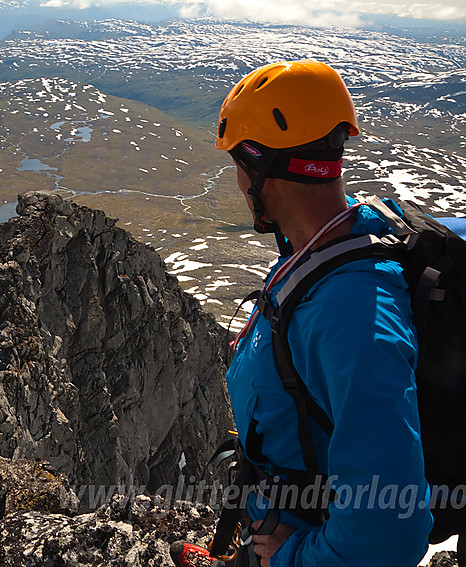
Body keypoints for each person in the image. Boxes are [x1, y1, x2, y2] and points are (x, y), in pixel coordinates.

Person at [171, 60, 434, 566]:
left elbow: (389, 533)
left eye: (238, 168)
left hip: (302, 536)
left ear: (262, 167)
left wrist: (292, 556)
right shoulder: (337, 235)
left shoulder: (352, 319)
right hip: (278, 506)